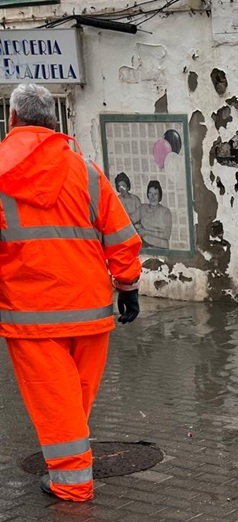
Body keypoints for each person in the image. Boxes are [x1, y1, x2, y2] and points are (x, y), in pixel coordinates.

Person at [0, 83, 142, 502]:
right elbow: (119, 235)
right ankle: (70, 464)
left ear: (12, 120)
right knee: (71, 400)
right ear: (53, 121)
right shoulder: (87, 172)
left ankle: (73, 483)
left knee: (56, 402)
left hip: (32, 315)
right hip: (90, 312)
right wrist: (128, 286)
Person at [138, 179, 172, 249]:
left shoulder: (165, 212)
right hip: (144, 246)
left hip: (160, 247)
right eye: (150, 193)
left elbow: (166, 235)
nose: (152, 197)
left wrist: (146, 232)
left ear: (160, 195)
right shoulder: (142, 207)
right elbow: (129, 219)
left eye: (155, 194)